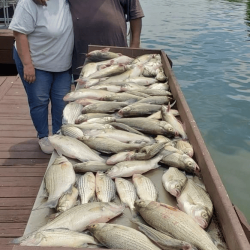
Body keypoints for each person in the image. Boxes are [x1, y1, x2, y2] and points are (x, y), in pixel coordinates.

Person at [9, 0, 74, 154]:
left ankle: (59, 134)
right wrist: (27, 65)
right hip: (35, 62)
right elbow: (19, 33)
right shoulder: (28, 3)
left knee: (62, 101)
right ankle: (43, 136)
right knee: (39, 101)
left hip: (62, 64)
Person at [33, 0, 144, 79]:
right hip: (83, 58)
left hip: (117, 56)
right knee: (86, 105)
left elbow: (135, 15)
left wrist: (134, 48)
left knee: (115, 101)